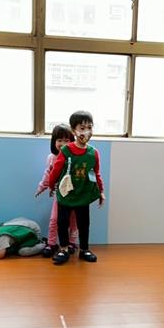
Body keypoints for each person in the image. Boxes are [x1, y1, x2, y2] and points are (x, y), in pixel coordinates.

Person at [38, 110, 104, 265]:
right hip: (65, 195)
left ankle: (84, 249)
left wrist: (101, 191)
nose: (86, 132)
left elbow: (96, 173)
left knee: (84, 224)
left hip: (83, 195)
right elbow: (56, 171)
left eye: (89, 127)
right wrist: (51, 186)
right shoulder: (66, 151)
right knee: (62, 223)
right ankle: (63, 249)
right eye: (82, 128)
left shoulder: (93, 153)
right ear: (74, 130)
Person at [36, 123, 78, 257]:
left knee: (73, 221)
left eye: (67, 140)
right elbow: (48, 174)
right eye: (59, 140)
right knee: (54, 219)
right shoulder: (52, 158)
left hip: (76, 195)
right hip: (60, 195)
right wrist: (42, 187)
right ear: (54, 142)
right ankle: (51, 243)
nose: (63, 144)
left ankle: (72, 243)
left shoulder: (75, 157)